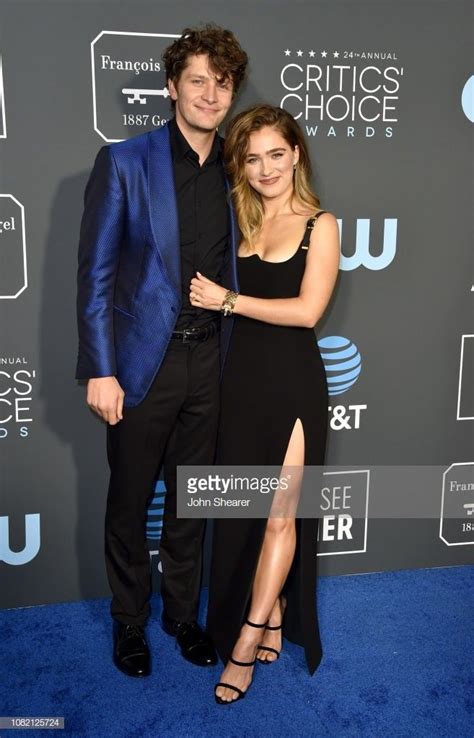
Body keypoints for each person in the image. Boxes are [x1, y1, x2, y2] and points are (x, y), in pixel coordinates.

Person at [76, 24, 248, 678]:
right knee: (129, 502)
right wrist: (101, 369)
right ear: (173, 86)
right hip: (142, 366)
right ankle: (129, 623)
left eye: (222, 82)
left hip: (212, 361)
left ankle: (181, 614)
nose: (210, 94)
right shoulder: (125, 162)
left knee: (191, 499)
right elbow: (94, 275)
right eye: (197, 80)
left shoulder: (240, 165)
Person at [188, 104, 340, 703]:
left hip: (293, 385)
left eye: (277, 154)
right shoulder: (238, 221)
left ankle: (249, 638)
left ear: (296, 154)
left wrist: (227, 301)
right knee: (245, 512)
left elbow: (307, 313)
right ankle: (271, 607)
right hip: (238, 383)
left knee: (281, 514)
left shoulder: (320, 225)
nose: (266, 167)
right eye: (252, 158)